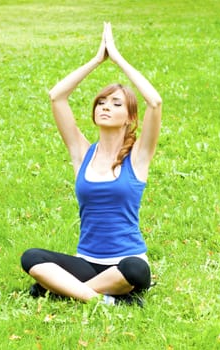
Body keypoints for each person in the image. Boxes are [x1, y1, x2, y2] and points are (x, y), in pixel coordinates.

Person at [20, 22, 162, 306]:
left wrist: (118, 58)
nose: (106, 106)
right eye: (101, 102)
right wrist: (97, 60)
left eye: (116, 103)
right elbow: (57, 96)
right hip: (87, 262)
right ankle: (106, 300)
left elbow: (155, 102)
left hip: (125, 264)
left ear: (130, 118)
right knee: (31, 258)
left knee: (137, 270)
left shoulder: (138, 156)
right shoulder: (81, 153)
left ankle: (62, 290)